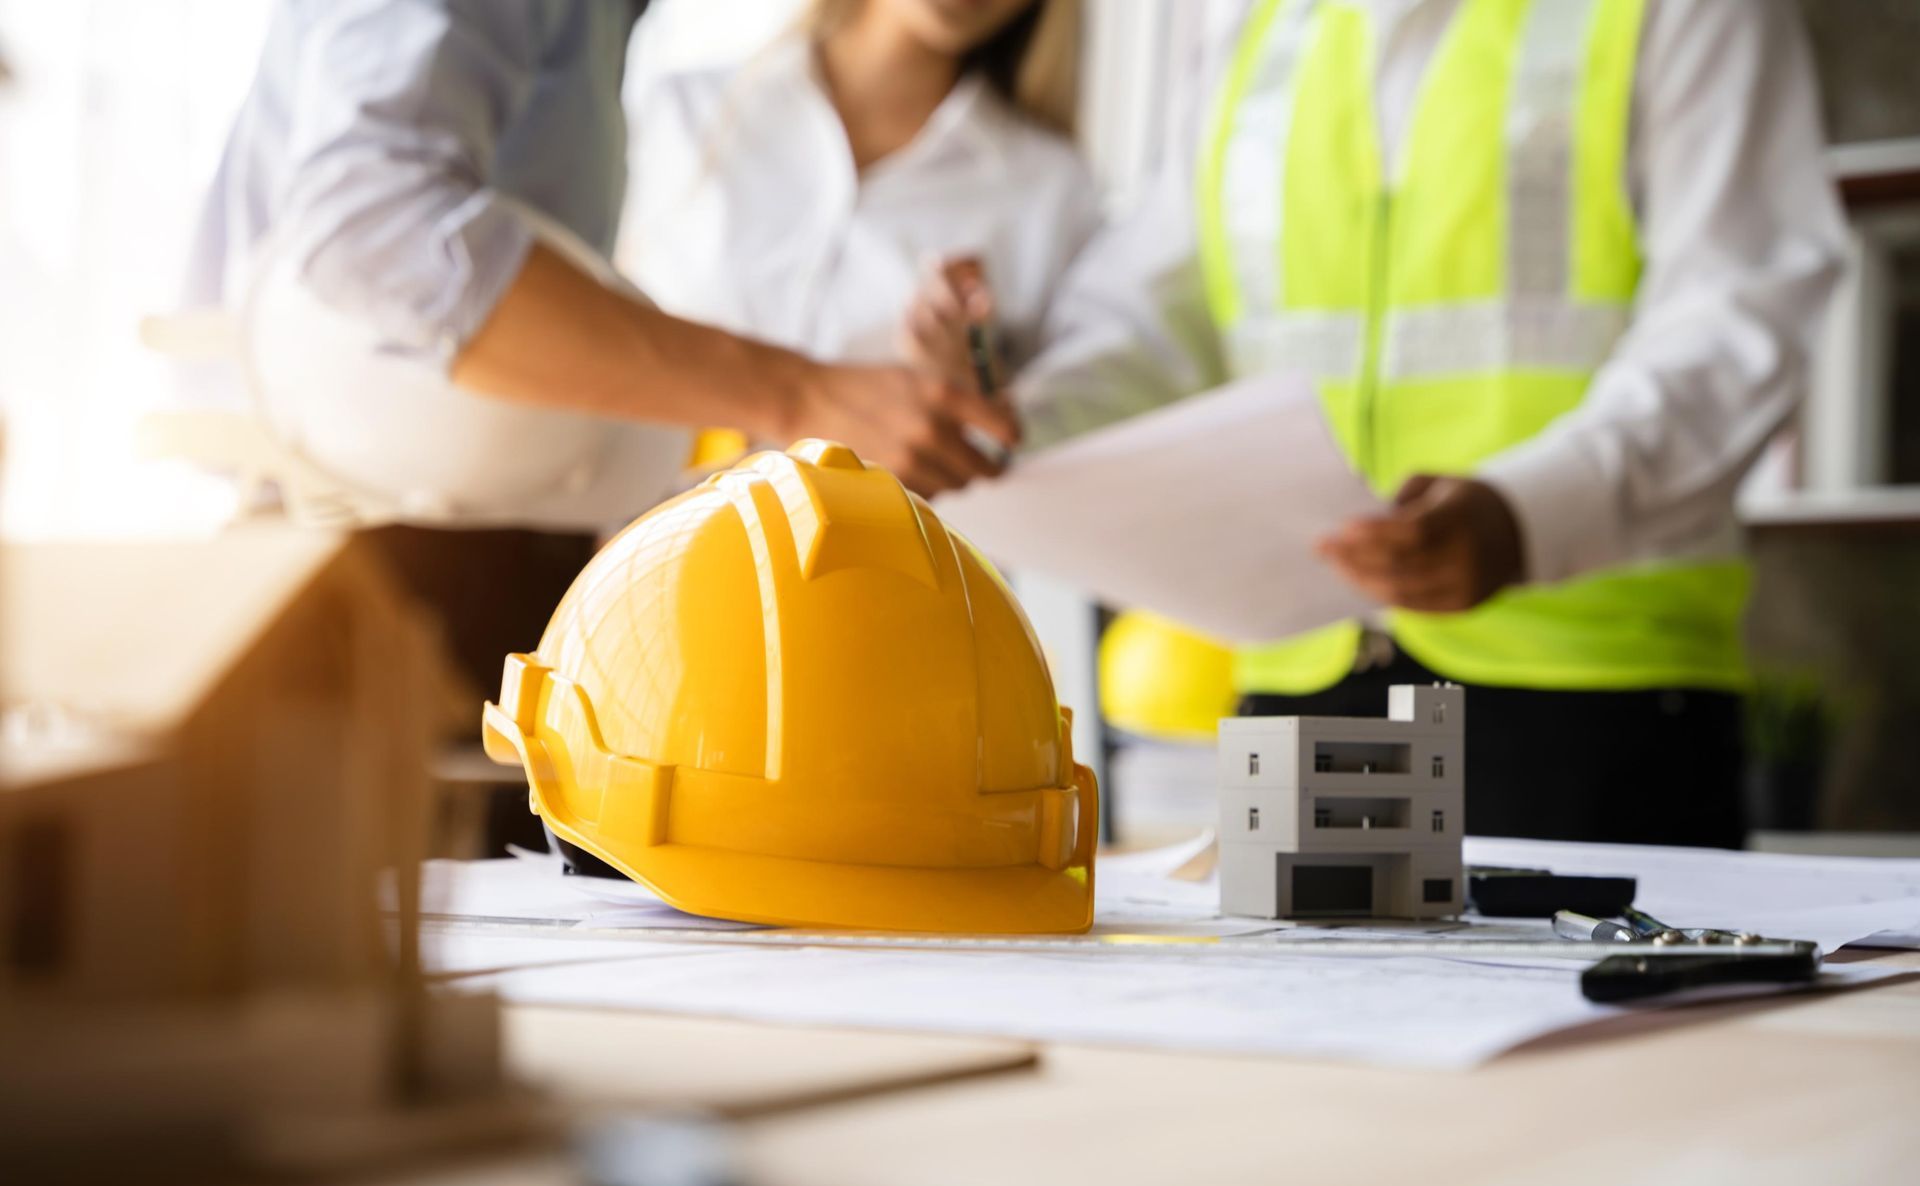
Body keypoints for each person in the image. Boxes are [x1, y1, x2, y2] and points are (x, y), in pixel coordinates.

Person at [923, 0, 1848, 849]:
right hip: (1300, 689)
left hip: (1590, 691)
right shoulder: (1258, 30)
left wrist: (1534, 512)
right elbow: (1154, 321)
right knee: (1279, 1029)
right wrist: (1002, 422)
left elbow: (1739, 309)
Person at [181, 0, 1016, 515]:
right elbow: (374, 227)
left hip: (507, 523)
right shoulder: (697, 99)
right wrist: (800, 394)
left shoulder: (617, 31)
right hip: (337, 509)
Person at [619, 0, 1095, 461]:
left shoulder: (1051, 190)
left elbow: (1017, 448)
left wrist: (963, 394)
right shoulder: (682, 113)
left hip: (874, 536)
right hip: (650, 530)